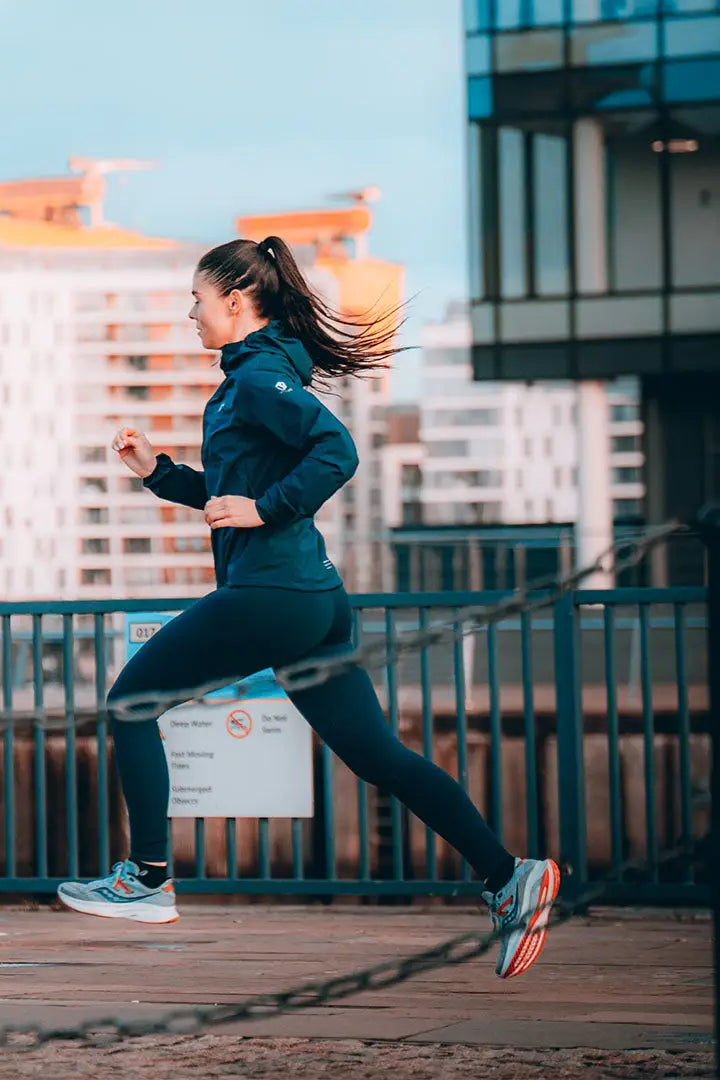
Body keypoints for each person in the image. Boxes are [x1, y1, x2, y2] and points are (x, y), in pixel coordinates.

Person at [57, 236, 559, 979]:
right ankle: (508, 875)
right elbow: (229, 496)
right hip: (311, 598)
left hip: (274, 592)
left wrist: (267, 509)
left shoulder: (258, 376)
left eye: (196, 300)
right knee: (376, 755)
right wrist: (158, 474)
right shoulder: (251, 381)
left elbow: (337, 452)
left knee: (131, 701)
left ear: (234, 300)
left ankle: (148, 878)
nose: (189, 315)